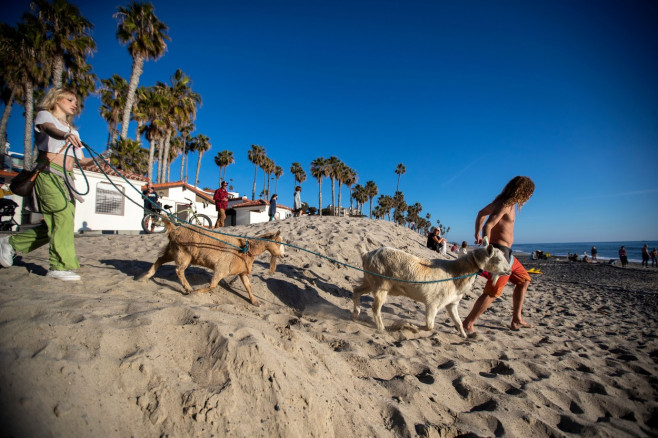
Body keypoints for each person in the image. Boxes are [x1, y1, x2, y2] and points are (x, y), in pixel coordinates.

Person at [0, 88, 95, 280]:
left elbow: (81, 161)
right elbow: (48, 129)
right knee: (61, 217)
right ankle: (58, 267)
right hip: (48, 174)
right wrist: (63, 135)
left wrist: (98, 160)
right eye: (69, 99)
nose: (74, 104)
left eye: (75, 101)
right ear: (56, 99)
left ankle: (10, 243)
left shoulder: (73, 131)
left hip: (67, 178)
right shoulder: (45, 116)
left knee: (61, 223)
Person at [462, 176, 535, 335]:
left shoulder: (503, 202)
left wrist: (476, 232)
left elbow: (481, 213)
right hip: (500, 254)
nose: (528, 197)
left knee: (524, 281)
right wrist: (486, 246)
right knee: (492, 292)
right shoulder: (506, 204)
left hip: (509, 255)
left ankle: (516, 319)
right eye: (528, 194)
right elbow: (489, 224)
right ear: (522, 191)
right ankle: (468, 323)